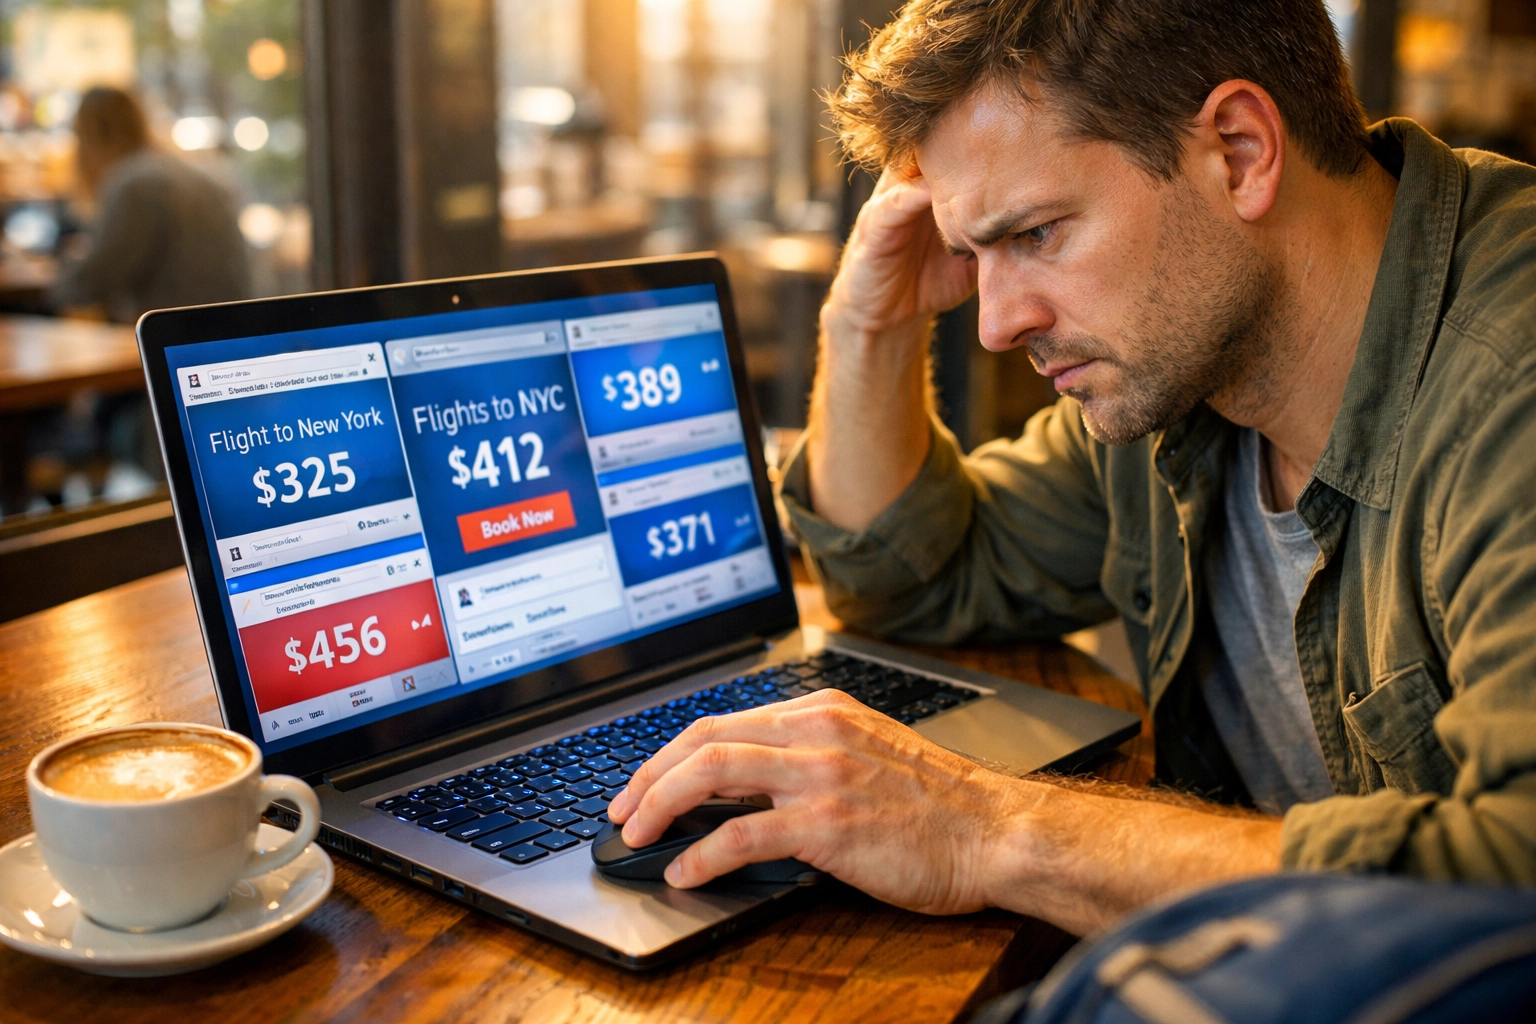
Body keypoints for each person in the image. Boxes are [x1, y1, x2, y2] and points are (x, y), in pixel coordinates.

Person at [606, 0, 1536, 937]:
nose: (997, 323)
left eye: (1036, 233)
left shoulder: (1511, 384)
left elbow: (1510, 883)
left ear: (1240, 152)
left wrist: (984, 829)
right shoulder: (1188, 381)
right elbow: (908, 576)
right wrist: (870, 322)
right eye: (973, 252)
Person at [52, 86, 249, 323]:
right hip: (231, 325)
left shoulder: (134, 183)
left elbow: (92, 282)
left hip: (179, 338)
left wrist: (59, 275)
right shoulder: (184, 170)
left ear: (91, 133)